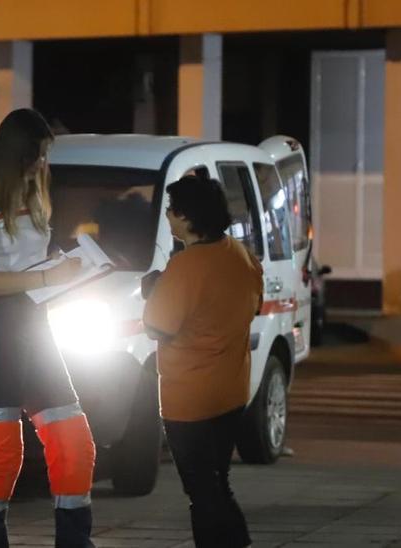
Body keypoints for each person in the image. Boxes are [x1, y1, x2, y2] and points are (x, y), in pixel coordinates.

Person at [0, 108, 96, 547]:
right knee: (0, 454)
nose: (42, 164)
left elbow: (27, 262)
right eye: (38, 155)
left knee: (74, 444)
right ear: (19, 152)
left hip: (32, 323)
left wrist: (71, 268)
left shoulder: (34, 194)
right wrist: (50, 277)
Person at [143, 175, 261, 548]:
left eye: (170, 209)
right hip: (231, 390)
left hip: (189, 397)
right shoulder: (240, 254)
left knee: (202, 490)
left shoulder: (184, 268)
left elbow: (156, 327)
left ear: (186, 216)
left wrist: (154, 291)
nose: (166, 215)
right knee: (216, 482)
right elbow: (252, 306)